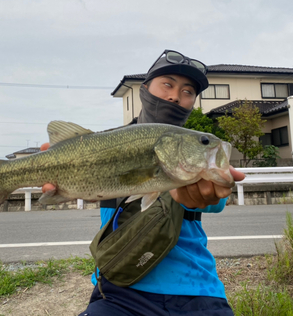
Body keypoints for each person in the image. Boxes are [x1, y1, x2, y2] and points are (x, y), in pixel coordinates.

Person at [40, 49, 246, 315]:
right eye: (168, 85)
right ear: (145, 90)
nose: (175, 96)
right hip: (119, 287)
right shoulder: (103, 143)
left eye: (187, 92)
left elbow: (215, 200)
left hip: (197, 288)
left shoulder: (191, 152)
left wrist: (214, 193)